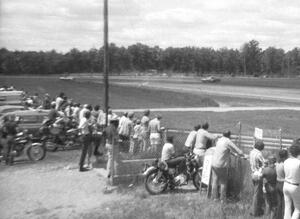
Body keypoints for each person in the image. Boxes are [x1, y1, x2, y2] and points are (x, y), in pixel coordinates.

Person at [211, 131, 244, 203]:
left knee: (215, 180)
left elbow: (224, 150)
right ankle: (222, 199)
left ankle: (214, 198)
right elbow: (238, 150)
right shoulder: (228, 141)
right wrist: (242, 154)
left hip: (214, 163)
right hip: (221, 165)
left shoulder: (219, 140)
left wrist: (233, 154)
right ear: (229, 135)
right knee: (223, 182)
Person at [283, 139, 300, 219]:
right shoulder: (298, 162)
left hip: (286, 184)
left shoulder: (286, 161)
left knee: (287, 207)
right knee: (297, 209)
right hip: (294, 185)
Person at [249, 140, 265, 217]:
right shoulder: (259, 154)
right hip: (258, 174)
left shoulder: (251, 152)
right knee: (257, 194)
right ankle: (254, 212)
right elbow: (263, 164)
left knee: (256, 193)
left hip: (253, 173)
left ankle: (258, 209)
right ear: (261, 147)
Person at [276, 149, 288, 219]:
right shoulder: (285, 164)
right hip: (283, 183)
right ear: (285, 156)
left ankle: (278, 216)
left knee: (279, 202)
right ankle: (284, 216)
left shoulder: (277, 163)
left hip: (277, 183)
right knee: (285, 203)